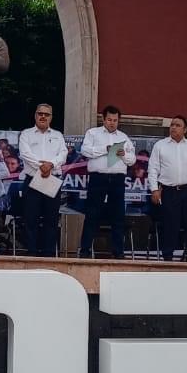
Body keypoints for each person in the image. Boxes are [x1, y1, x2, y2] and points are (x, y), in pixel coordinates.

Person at [148, 116, 187, 262]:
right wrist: (154, 189)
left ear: (185, 129)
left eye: (177, 125)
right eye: (172, 125)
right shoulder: (160, 146)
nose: (173, 127)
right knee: (169, 225)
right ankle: (167, 258)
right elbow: (153, 169)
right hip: (168, 191)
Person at [78, 105, 132, 260]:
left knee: (118, 216)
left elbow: (132, 160)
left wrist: (123, 155)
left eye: (115, 120)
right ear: (103, 119)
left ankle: (118, 251)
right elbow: (85, 151)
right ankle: (85, 250)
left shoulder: (124, 137)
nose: (112, 123)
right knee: (92, 214)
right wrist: (106, 149)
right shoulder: (92, 133)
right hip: (98, 178)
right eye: (109, 119)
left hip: (117, 180)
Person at [18, 103, 68, 256]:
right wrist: (42, 166)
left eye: (47, 114)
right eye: (40, 113)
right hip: (33, 180)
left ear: (51, 117)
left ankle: (49, 254)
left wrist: (51, 164)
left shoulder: (58, 135)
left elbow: (63, 154)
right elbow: (25, 153)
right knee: (30, 218)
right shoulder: (26, 134)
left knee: (51, 219)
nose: (43, 116)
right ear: (35, 115)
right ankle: (32, 252)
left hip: (51, 180)